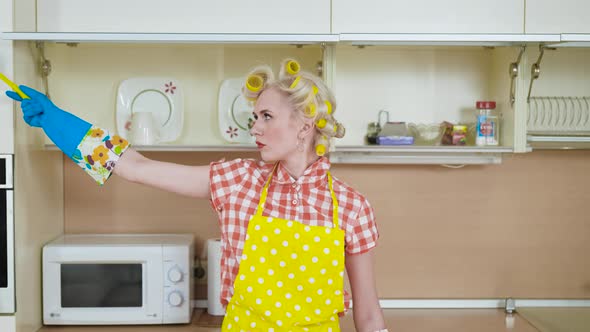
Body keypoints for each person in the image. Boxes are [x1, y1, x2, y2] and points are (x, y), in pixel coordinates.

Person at [6, 58, 387, 331]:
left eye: (266, 116)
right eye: (253, 117)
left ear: (304, 125)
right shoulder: (238, 180)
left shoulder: (351, 208)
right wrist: (58, 121)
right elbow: (136, 168)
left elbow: (368, 316)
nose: (254, 128)